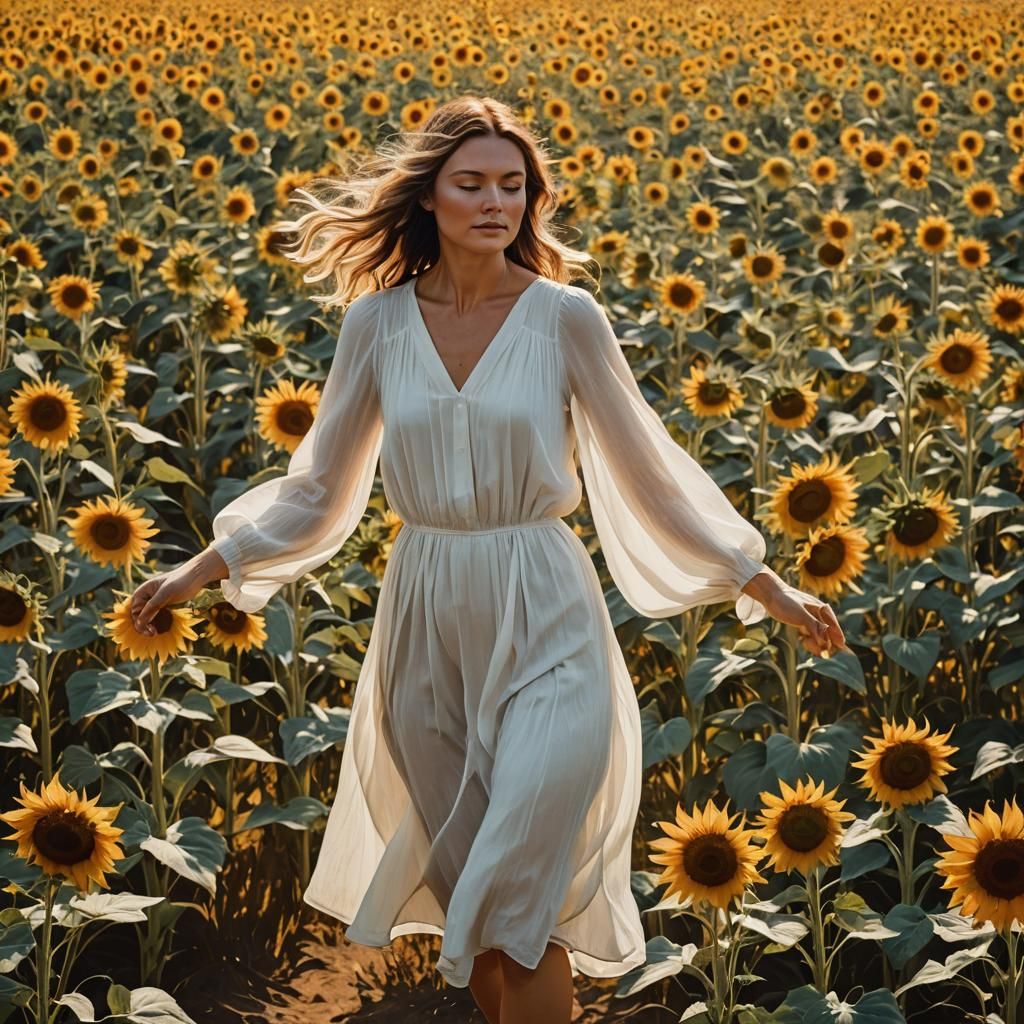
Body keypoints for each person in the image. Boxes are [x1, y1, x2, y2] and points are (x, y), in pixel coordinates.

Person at [128, 95, 848, 1024]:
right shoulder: (376, 326)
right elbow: (316, 489)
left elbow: (651, 469)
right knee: (485, 922)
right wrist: (202, 568)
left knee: (523, 901)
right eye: (471, 183)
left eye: (513, 185)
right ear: (427, 196)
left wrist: (761, 578)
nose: (495, 201)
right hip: (426, 625)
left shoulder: (565, 318)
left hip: (548, 611)